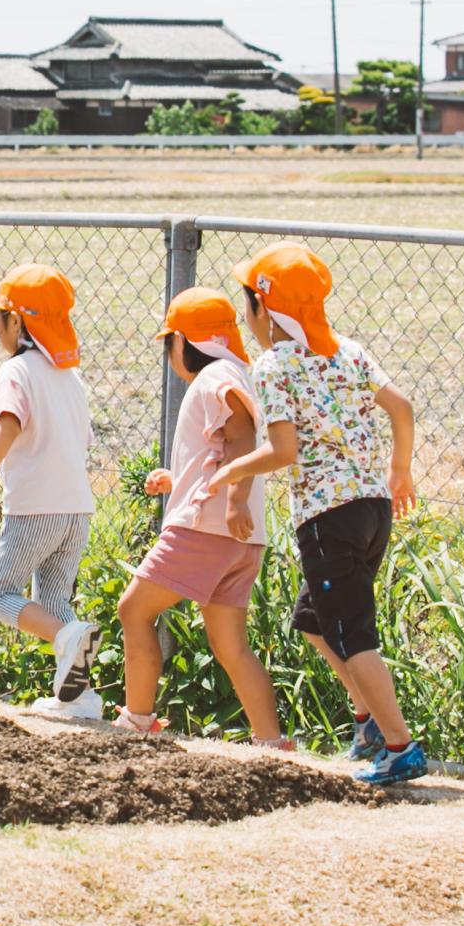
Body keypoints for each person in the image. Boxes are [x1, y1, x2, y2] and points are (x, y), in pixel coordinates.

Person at [212, 243, 424, 786]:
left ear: (265, 310)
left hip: (327, 516)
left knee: (353, 636)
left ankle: (400, 747)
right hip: (372, 509)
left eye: (248, 306)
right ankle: (367, 724)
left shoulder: (274, 365)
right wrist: (400, 469)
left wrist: (231, 474)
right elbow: (401, 407)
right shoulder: (348, 351)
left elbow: (283, 451)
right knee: (314, 620)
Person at [112, 289, 288, 747]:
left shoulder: (213, 379)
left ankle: (138, 719)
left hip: (205, 530)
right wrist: (181, 480)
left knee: (133, 608)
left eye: (169, 341)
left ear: (185, 342)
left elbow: (241, 435)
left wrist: (233, 499)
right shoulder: (234, 372)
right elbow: (221, 449)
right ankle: (270, 742)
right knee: (230, 645)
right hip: (239, 539)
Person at [0, 263, 102, 720]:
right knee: (55, 602)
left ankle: (66, 638)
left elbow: (9, 423)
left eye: (0, 314)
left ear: (18, 322)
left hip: (35, 508)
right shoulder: (70, 377)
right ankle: (80, 699)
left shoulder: (17, 370)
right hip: (77, 509)